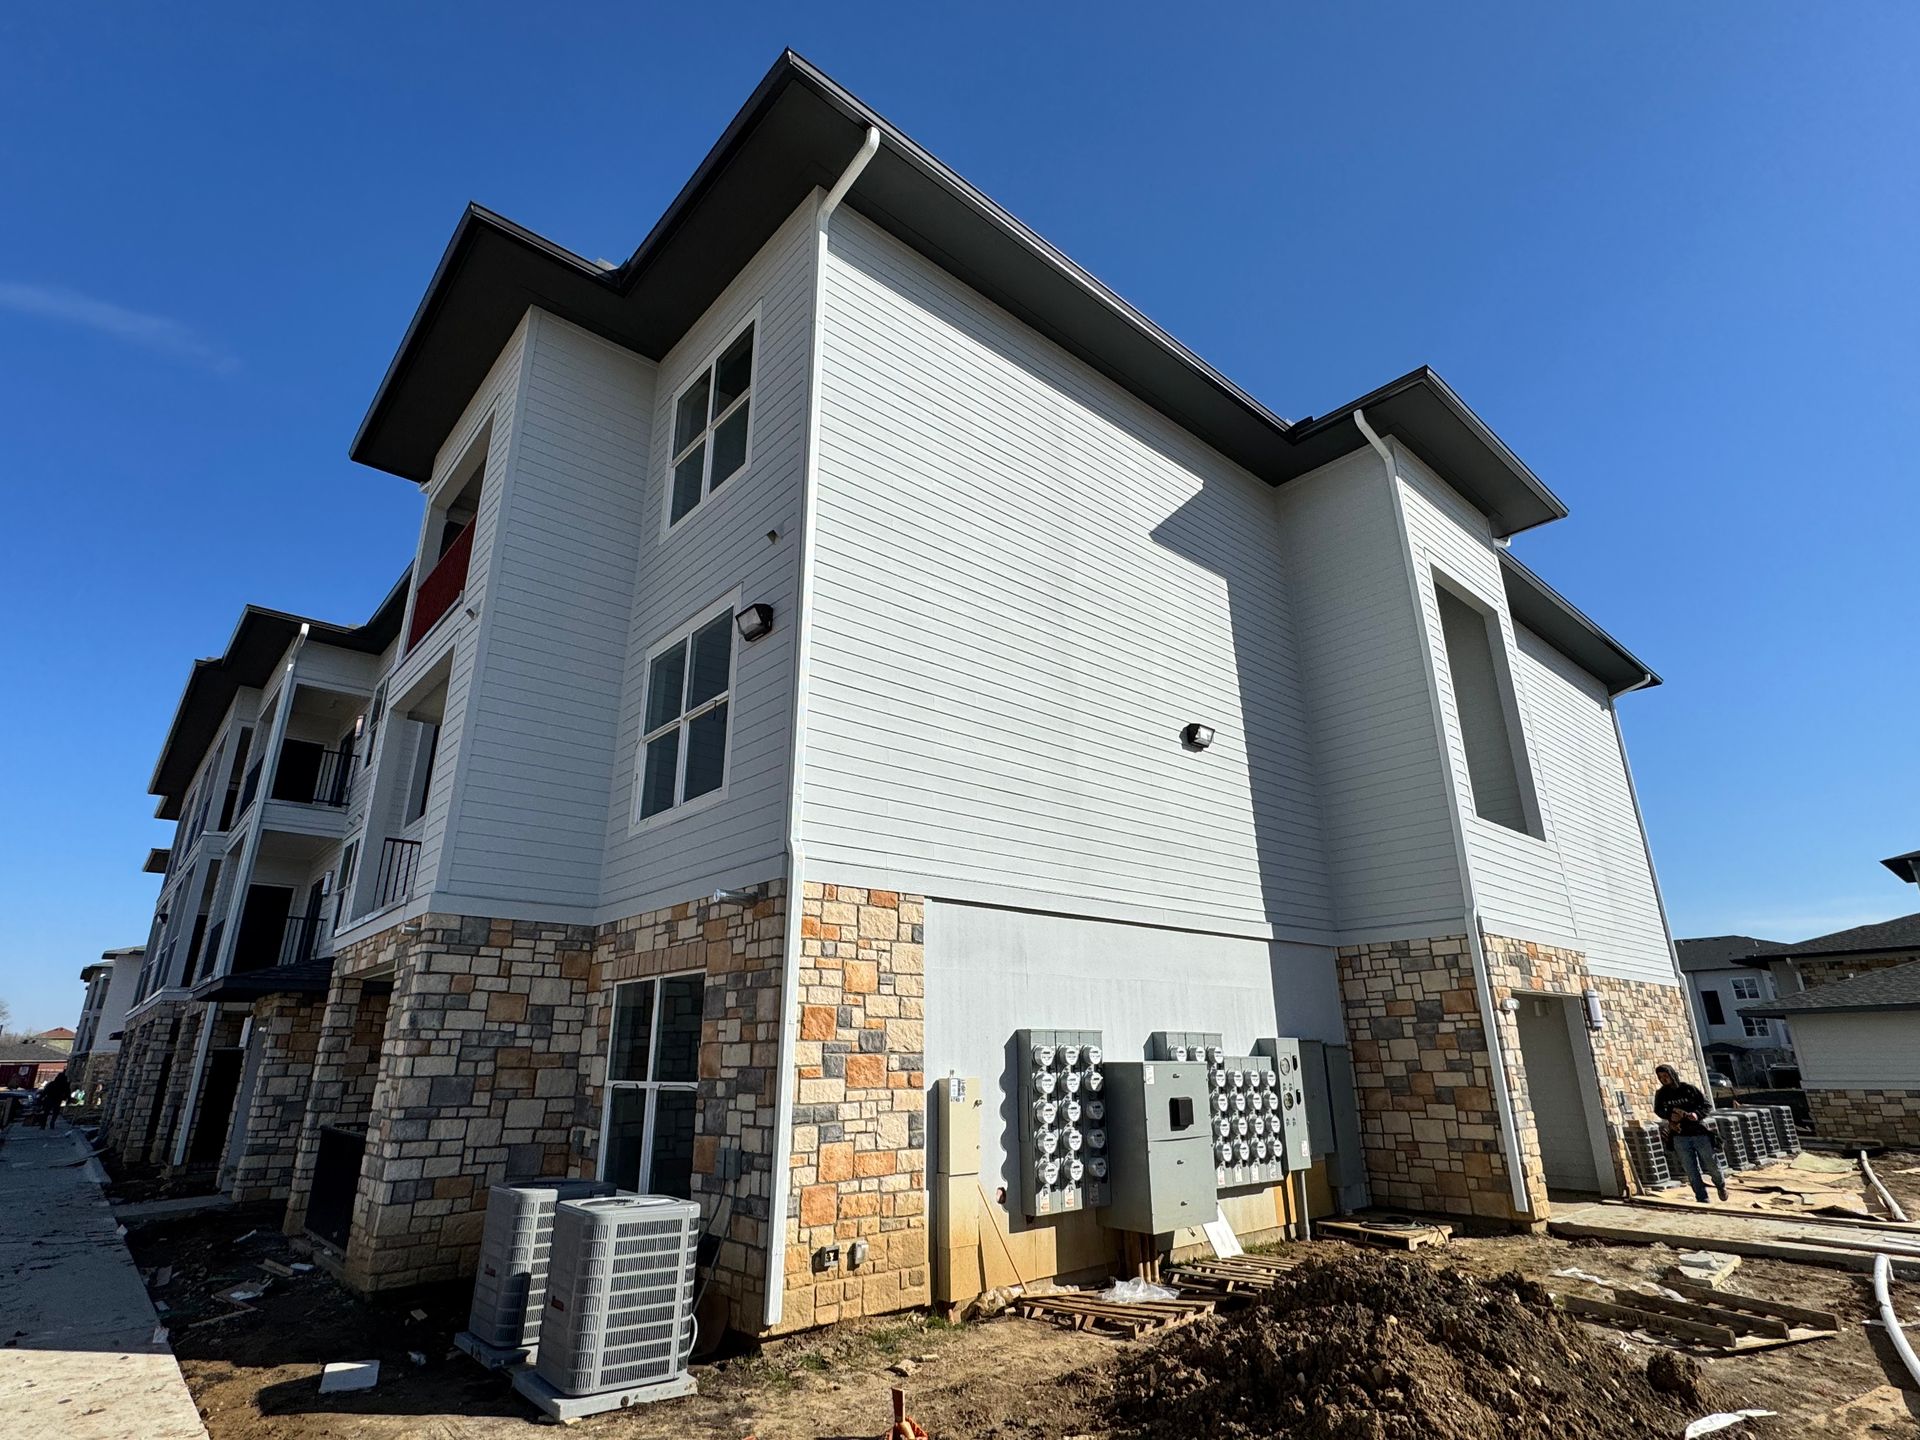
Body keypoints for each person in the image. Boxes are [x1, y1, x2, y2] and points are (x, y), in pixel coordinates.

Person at [1653, 1062, 1727, 1203]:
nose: (1664, 1079)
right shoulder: (1661, 1094)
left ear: (1672, 1075)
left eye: (1666, 1076)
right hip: (1680, 1136)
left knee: (1712, 1164)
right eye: (1661, 1077)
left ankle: (1720, 1185)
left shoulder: (1688, 1090)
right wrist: (1669, 1116)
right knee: (1691, 1170)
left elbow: (1706, 1105)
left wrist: (1696, 1115)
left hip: (1699, 1133)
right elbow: (1658, 1110)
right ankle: (1702, 1198)